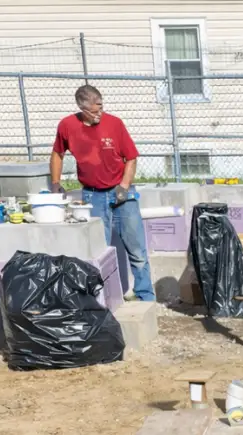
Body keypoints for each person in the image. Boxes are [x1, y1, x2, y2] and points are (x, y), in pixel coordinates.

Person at [50, 85, 154, 302]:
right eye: (94, 110)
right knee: (99, 251)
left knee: (137, 250)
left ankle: (145, 296)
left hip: (122, 193)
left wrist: (124, 186)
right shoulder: (67, 126)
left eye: (101, 108)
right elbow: (57, 154)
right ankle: (105, 300)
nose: (99, 113)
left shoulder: (114, 124)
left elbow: (131, 158)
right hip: (92, 196)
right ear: (82, 108)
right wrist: (56, 183)